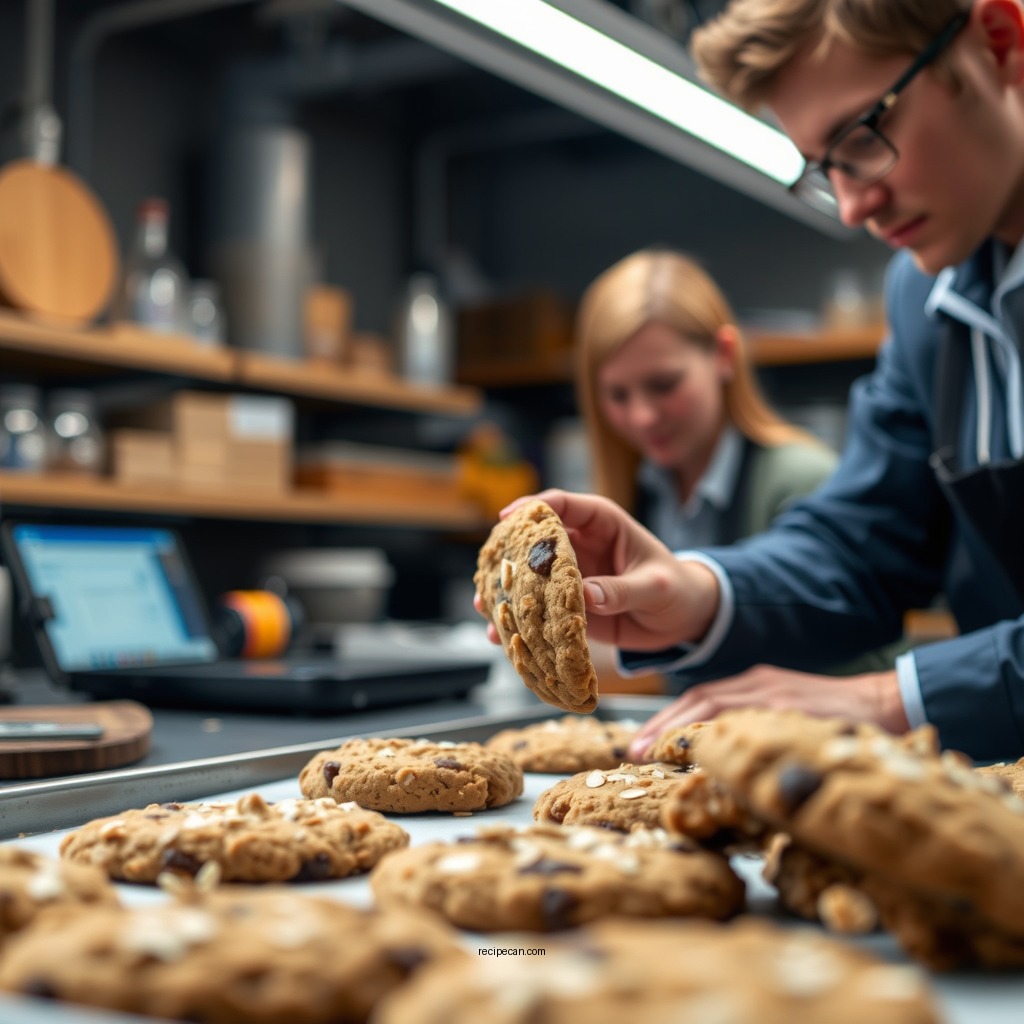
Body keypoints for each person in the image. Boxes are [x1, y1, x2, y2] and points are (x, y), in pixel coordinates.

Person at [481, 0, 1024, 764]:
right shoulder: (924, 298)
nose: (853, 206)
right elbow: (866, 545)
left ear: (998, 41)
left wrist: (889, 699)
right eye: (825, 167)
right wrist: (695, 595)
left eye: (862, 136)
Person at [575, 247, 838, 552]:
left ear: (724, 355)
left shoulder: (804, 484)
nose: (643, 417)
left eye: (664, 385)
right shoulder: (631, 496)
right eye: (618, 395)